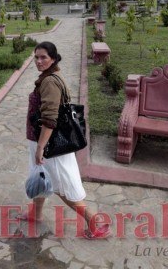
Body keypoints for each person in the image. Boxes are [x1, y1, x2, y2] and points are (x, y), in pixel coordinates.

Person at [21, 41, 110, 239]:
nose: (39, 61)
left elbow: (50, 119)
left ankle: (94, 221)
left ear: (53, 58)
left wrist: (41, 147)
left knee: (62, 186)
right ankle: (36, 214)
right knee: (40, 176)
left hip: (50, 144)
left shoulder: (50, 81)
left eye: (43, 57)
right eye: (36, 57)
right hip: (42, 140)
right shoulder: (50, 76)